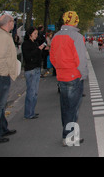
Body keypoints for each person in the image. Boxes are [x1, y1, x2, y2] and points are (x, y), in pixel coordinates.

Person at [50, 11, 89, 146]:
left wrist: (60, 68)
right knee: (73, 108)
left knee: (65, 106)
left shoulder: (56, 36)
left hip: (62, 75)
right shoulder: (76, 37)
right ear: (76, 21)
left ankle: (66, 133)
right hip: (74, 75)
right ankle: (69, 137)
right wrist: (83, 74)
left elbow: (52, 57)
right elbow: (81, 58)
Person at [0, 14, 20, 144]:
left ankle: (3, 128)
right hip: (2, 76)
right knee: (0, 104)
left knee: (2, 105)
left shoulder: (4, 35)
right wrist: (5, 72)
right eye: (13, 21)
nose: (14, 24)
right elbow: (0, 58)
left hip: (4, 75)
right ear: (9, 22)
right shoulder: (2, 37)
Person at [21, 27, 45, 119]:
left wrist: (41, 49)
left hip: (36, 68)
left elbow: (37, 55)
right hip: (31, 69)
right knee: (31, 92)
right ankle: (28, 113)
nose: (36, 35)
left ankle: (32, 111)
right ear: (30, 34)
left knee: (35, 92)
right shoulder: (26, 44)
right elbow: (28, 56)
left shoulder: (35, 43)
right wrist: (38, 49)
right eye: (35, 33)